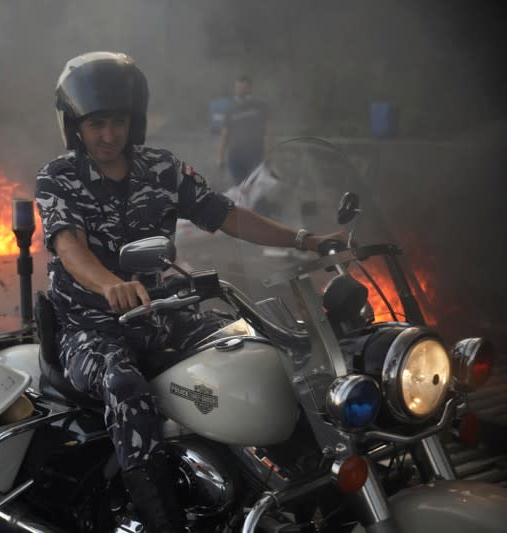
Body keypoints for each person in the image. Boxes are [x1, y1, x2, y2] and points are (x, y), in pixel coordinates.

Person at [36, 52, 341, 532]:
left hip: (162, 316)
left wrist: (304, 239)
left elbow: (227, 215)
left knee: (261, 354)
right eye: (96, 124)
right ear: (75, 126)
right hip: (90, 329)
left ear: (133, 122)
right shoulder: (58, 178)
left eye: (118, 122)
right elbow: (68, 246)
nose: (109, 135)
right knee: (125, 387)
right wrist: (110, 284)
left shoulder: (162, 168)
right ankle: (165, 521)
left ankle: (317, 488)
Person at [218, 75, 268, 186]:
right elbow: (224, 135)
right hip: (235, 155)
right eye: (237, 88)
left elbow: (268, 131)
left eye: (242, 88)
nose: (239, 91)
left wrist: (269, 154)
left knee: (254, 186)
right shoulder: (230, 109)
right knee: (240, 187)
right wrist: (220, 157)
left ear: (249, 88)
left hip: (255, 154)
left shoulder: (260, 106)